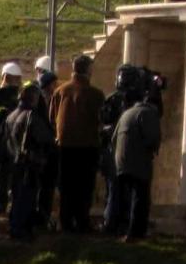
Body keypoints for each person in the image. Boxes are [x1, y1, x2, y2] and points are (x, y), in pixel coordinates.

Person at [50, 54, 105, 234]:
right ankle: (82, 221)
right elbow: (100, 120)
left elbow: (52, 117)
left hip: (63, 145)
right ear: (88, 70)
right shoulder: (95, 94)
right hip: (86, 146)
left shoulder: (60, 91)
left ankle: (65, 221)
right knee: (84, 186)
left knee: (66, 185)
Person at [4, 83, 55, 241]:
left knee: (17, 196)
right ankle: (20, 230)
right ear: (34, 98)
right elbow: (45, 138)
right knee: (26, 198)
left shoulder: (11, 115)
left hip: (13, 161)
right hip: (28, 163)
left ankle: (14, 227)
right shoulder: (30, 116)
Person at [112, 85, 161, 242]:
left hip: (121, 161)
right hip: (138, 162)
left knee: (123, 197)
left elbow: (113, 138)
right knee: (140, 198)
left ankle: (119, 229)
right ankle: (135, 233)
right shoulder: (149, 113)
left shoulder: (127, 113)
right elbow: (152, 139)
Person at [100, 65, 142, 235]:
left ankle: (111, 223)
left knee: (113, 190)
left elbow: (102, 123)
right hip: (127, 151)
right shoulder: (136, 103)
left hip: (113, 150)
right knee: (124, 191)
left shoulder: (112, 99)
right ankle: (119, 223)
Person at [0, 62, 24, 217]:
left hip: (1, 140)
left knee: (2, 173)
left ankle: (1, 203)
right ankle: (12, 203)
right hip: (14, 141)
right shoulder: (18, 97)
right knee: (13, 173)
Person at [33, 60, 59, 230]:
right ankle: (42, 218)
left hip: (43, 151)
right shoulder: (44, 102)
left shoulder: (42, 99)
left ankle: (41, 216)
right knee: (45, 188)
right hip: (45, 152)